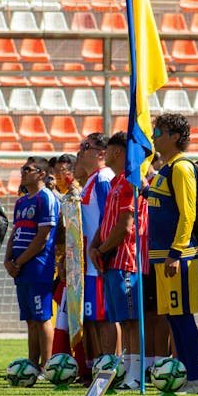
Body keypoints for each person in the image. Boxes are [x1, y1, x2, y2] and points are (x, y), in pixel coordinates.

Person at [146, 112, 198, 393]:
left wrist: (176, 251)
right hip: (161, 257)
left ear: (175, 137)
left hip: (176, 257)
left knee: (182, 316)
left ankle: (194, 377)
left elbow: (188, 213)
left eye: (159, 133)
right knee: (172, 317)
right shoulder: (166, 168)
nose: (155, 137)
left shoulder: (182, 168)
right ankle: (183, 373)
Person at [89, 132, 150, 390]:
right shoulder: (116, 181)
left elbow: (125, 227)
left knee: (132, 319)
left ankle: (137, 373)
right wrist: (94, 246)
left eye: (109, 150)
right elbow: (107, 221)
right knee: (123, 320)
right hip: (112, 260)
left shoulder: (132, 182)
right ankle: (128, 369)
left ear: (116, 152)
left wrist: (101, 249)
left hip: (126, 260)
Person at [5, 157, 60, 367]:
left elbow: (43, 236)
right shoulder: (21, 201)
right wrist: (7, 260)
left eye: (28, 169)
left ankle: (47, 366)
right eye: (22, 168)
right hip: (20, 267)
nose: (23, 172)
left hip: (38, 266)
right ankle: (32, 364)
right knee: (30, 319)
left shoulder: (46, 198)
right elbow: (15, 232)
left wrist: (19, 261)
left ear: (41, 174)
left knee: (42, 317)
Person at [77, 133, 119, 360]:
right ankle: (96, 363)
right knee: (93, 317)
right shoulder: (92, 179)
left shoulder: (104, 179)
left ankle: (112, 364)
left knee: (105, 317)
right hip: (89, 261)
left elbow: (108, 218)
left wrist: (101, 250)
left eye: (86, 147)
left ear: (101, 153)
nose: (81, 151)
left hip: (99, 259)